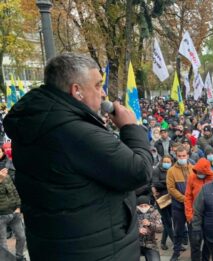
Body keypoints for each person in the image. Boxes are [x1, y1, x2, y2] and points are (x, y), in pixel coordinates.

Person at [3, 53, 154, 260]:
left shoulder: (37, 122)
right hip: (97, 251)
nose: (103, 94)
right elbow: (139, 171)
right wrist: (131, 127)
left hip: (59, 246)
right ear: (77, 91)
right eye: (98, 85)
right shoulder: (77, 133)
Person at [167, 145, 194, 260]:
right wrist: (185, 199)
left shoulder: (193, 169)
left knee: (193, 231)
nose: (182, 158)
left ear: (187, 155)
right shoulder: (171, 171)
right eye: (179, 156)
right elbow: (171, 189)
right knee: (178, 231)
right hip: (178, 206)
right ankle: (176, 253)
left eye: (184, 156)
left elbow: (196, 186)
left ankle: (195, 253)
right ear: (176, 156)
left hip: (191, 207)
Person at [184, 158, 213, 261]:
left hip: (209, 217)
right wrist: (189, 215)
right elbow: (188, 197)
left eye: (202, 172)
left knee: (208, 242)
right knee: (195, 243)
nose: (199, 173)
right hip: (194, 216)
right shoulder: (192, 177)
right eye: (198, 171)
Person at [0, 165, 25, 261]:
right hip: (1, 215)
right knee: (3, 243)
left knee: (21, 237)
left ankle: (19, 257)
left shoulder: (7, 177)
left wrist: (18, 207)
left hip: (14, 213)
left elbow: (15, 191)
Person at [151, 155, 175, 250]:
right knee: (168, 222)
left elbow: (176, 183)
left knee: (167, 222)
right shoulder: (156, 170)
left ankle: (163, 243)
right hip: (161, 200)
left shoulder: (173, 170)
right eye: (165, 161)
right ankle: (176, 243)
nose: (166, 163)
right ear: (162, 161)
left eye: (168, 161)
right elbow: (156, 183)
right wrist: (169, 183)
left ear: (171, 162)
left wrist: (163, 183)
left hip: (171, 199)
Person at [136, 196, 163, 261]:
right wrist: (138, 230)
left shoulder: (155, 212)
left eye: (145, 205)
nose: (143, 208)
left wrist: (150, 224)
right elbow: (127, 230)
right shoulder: (134, 213)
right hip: (135, 244)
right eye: (141, 206)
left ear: (149, 205)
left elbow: (160, 229)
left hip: (151, 244)